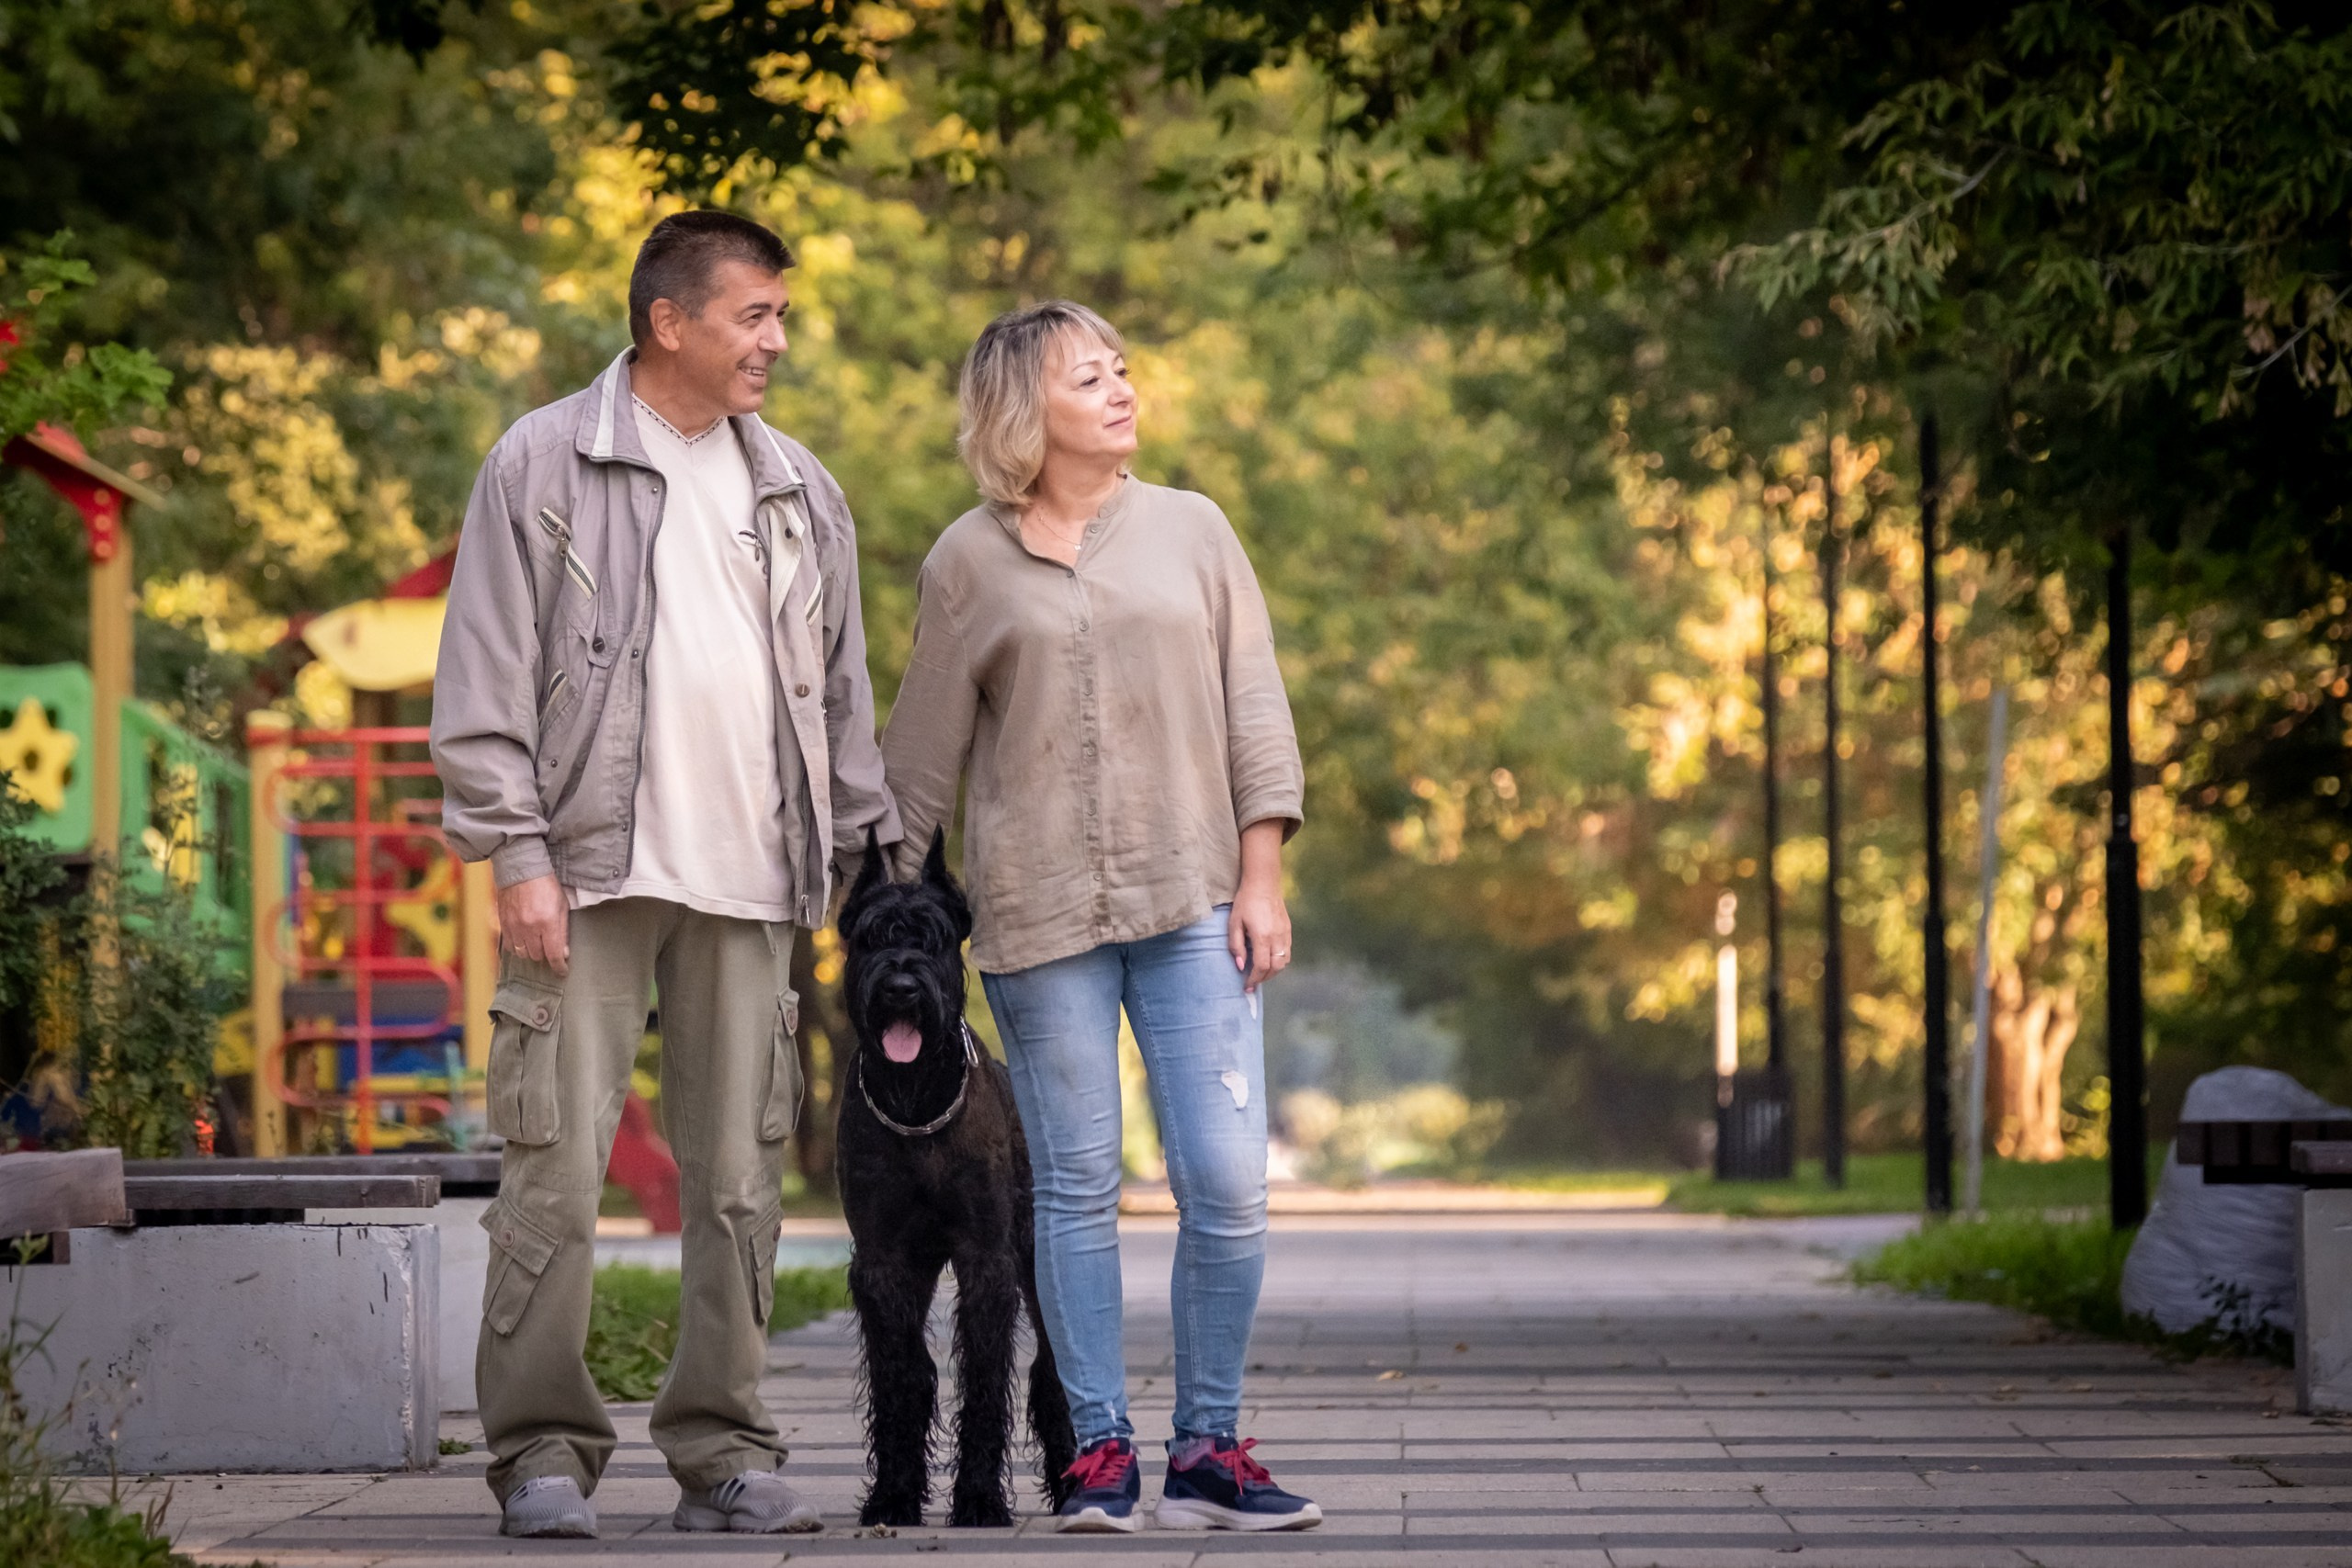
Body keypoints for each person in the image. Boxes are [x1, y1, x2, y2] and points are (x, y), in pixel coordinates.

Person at [430, 209, 899, 1539]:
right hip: (578, 875)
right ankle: (538, 1456)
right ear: (669, 322)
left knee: (744, 1180)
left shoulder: (800, 488)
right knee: (555, 1173)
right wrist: (515, 851)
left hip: (754, 880)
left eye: (782, 316)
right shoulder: (543, 461)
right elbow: (480, 686)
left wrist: (869, 874)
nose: (777, 341)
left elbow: (844, 698)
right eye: (756, 315)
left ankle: (725, 1450)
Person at [882, 300, 1318, 1533]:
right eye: (1091, 377)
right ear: (1027, 412)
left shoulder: (1193, 529)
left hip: (1193, 900)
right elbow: (918, 760)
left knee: (1226, 1183)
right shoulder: (967, 560)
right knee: (1073, 1186)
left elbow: (1255, 705)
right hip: (1038, 916)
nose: (1124, 390)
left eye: (1124, 369)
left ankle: (1211, 1449)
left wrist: (1263, 870)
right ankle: (1098, 1456)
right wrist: (877, 915)